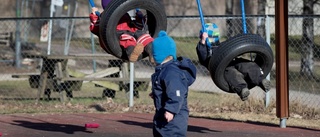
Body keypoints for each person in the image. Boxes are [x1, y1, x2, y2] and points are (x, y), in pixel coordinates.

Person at [196, 24, 271, 101]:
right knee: (232, 74)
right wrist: (203, 42)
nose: (214, 39)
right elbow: (202, 58)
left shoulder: (220, 45)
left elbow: (232, 49)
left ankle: (261, 80)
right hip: (222, 69)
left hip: (233, 61)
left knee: (246, 65)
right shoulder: (205, 50)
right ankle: (242, 89)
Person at [149, 30, 197, 137]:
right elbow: (166, 88)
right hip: (162, 116)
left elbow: (177, 93)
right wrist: (156, 93)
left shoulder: (172, 72)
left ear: (158, 55)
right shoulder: (163, 70)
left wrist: (171, 110)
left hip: (174, 119)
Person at [89, 0, 154, 62]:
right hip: (117, 35)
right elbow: (96, 29)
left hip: (130, 33)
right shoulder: (103, 17)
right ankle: (132, 53)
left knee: (143, 35)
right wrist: (94, 16)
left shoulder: (125, 15)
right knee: (127, 38)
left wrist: (139, 18)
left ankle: (152, 52)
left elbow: (136, 27)